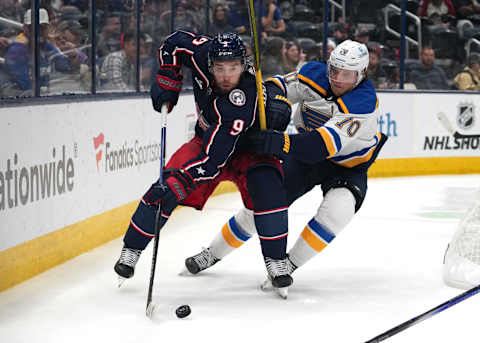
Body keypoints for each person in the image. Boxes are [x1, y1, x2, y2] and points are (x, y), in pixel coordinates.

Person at [184, 40, 388, 292]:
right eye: (334, 70)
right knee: (261, 206)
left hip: (348, 166)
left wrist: (279, 142)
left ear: (362, 74)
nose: (337, 78)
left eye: (346, 74)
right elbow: (273, 85)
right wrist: (277, 101)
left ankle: (287, 266)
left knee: (338, 212)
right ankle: (212, 253)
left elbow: (320, 145)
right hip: (304, 159)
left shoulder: (364, 103)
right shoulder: (313, 73)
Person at [114, 32, 294, 291]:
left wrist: (183, 179)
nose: (225, 76)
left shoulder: (241, 99)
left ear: (243, 66)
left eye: (233, 68)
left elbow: (213, 161)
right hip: (205, 139)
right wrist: (169, 76)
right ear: (209, 64)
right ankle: (131, 250)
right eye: (220, 68)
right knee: (162, 190)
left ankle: (276, 261)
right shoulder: (201, 52)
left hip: (248, 150)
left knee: (269, 192)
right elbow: (173, 43)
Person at [4, 8, 72, 96]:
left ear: (48, 28)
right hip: (22, 100)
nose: (37, 32)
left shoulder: (45, 45)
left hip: (44, 95)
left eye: (41, 28)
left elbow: (65, 66)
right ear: (25, 28)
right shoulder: (17, 50)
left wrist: (74, 56)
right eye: (33, 28)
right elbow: (26, 86)